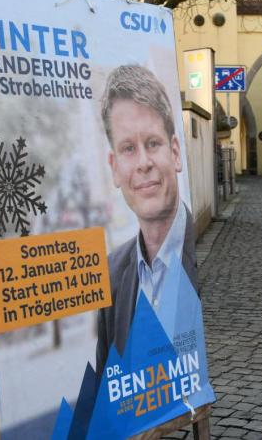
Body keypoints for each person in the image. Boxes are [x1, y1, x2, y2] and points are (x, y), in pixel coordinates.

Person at [95, 65, 197, 377]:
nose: (143, 164)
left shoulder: (198, 254)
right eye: (128, 149)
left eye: (153, 143)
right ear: (114, 167)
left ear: (175, 152)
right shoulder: (110, 274)